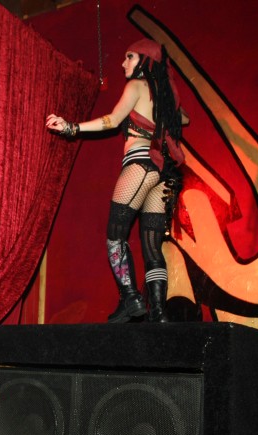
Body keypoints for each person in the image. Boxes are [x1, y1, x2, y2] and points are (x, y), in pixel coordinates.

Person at [46, 39, 189, 323]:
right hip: (162, 172)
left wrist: (71, 127)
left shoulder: (136, 86)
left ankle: (130, 297)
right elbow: (183, 119)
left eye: (129, 57)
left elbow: (112, 120)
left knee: (115, 234)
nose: (123, 63)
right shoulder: (163, 95)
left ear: (146, 61)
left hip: (140, 164)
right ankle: (159, 312)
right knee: (152, 245)